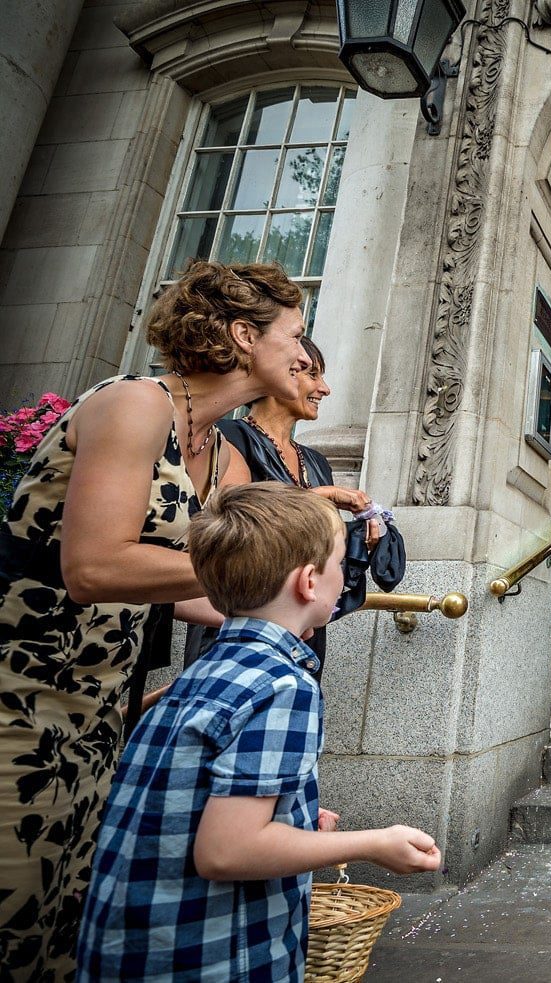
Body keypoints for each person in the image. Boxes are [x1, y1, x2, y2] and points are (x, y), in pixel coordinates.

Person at [0, 260, 310, 978]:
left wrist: (292, 607)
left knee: (65, 934)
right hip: (18, 703)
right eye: (295, 333)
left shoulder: (225, 456)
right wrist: (261, 571)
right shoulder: (135, 403)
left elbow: (198, 594)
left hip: (101, 717)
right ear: (241, 334)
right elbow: (96, 566)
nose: (304, 353)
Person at [74, 483, 441, 981]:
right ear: (310, 582)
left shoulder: (207, 670)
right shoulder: (284, 685)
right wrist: (373, 843)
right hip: (213, 957)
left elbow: (197, 805)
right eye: (340, 566)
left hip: (128, 951)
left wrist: (295, 820)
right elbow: (227, 852)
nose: (344, 577)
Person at [180, 335, 384, 675]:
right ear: (280, 375)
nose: (325, 389)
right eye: (312, 374)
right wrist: (324, 497)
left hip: (302, 631)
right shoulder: (229, 436)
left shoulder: (316, 461)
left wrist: (358, 538)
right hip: (237, 629)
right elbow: (235, 524)